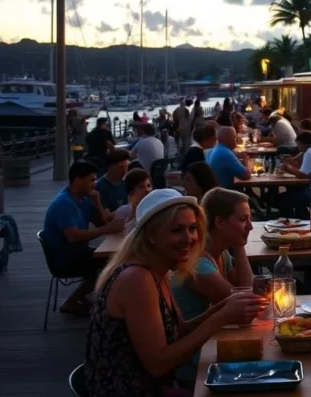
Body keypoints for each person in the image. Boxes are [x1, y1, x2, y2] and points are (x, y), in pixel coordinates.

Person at [85, 189, 265, 397]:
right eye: (177, 230)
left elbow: (180, 330)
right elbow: (158, 364)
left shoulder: (158, 272)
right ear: (151, 235)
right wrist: (220, 318)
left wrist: (222, 308)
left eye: (192, 228)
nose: (188, 238)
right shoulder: (137, 279)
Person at [170, 188, 255, 384]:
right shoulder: (198, 264)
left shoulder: (221, 253)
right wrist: (240, 243)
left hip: (210, 348)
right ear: (220, 222)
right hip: (192, 364)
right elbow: (244, 306)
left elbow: (243, 288)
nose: (250, 226)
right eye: (243, 219)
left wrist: (239, 243)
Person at [42, 160, 124, 315]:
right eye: (91, 180)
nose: (95, 184)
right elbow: (73, 236)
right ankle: (71, 302)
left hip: (77, 252)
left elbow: (102, 223)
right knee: (112, 263)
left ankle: (88, 297)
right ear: (78, 180)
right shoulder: (64, 203)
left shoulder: (84, 200)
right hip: (64, 258)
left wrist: (98, 203)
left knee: (115, 259)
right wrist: (106, 228)